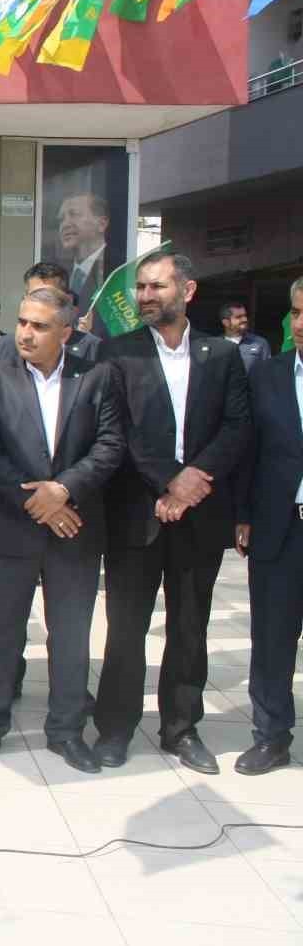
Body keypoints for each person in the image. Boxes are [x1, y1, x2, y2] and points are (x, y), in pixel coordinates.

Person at [94, 250, 251, 774]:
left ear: (187, 291)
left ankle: (181, 728)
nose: (145, 296)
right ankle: (114, 729)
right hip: (136, 513)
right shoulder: (118, 353)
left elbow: (237, 426)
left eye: (157, 286)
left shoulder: (220, 355)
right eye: (141, 287)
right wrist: (169, 481)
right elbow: (117, 431)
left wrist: (193, 482)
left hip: (199, 513)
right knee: (125, 630)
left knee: (189, 627)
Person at [0, 287, 125, 774]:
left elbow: (110, 444)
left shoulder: (97, 377)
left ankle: (67, 730)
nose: (26, 333)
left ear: (66, 333)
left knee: (70, 635)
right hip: (12, 524)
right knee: (0, 633)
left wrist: (64, 490)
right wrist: (40, 503)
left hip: (75, 527)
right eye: (22, 322)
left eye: (39, 326)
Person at [233, 277, 303, 775]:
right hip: (280, 528)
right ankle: (271, 736)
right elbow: (247, 451)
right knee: (273, 638)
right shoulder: (268, 375)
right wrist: (243, 514)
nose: (301, 324)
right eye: (296, 313)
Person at [0, 264, 103, 365]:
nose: (41, 302)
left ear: (67, 299)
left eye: (48, 296)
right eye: (35, 295)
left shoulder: (93, 349)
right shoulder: (0, 349)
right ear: (25, 298)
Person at [56, 192, 109, 313]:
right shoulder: (59, 272)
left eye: (74, 214)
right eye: (61, 219)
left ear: (102, 224)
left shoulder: (118, 269)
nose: (65, 224)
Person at [220, 301, 271, 373]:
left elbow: (267, 372)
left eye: (245, 316)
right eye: (238, 317)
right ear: (226, 322)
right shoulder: (216, 345)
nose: (245, 319)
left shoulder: (260, 343)